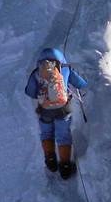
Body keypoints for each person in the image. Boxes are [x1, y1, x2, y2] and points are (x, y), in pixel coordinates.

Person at [25, 48, 88, 179]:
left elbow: (30, 92)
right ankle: (65, 166)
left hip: (45, 110)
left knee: (46, 133)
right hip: (63, 108)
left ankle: (51, 161)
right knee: (63, 136)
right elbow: (81, 83)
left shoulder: (38, 72)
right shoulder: (65, 68)